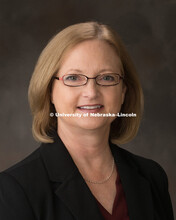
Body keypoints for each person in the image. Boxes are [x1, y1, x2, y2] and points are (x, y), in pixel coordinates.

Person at [0, 21, 174, 220]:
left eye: (107, 78)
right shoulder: (15, 189)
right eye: (73, 78)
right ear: (49, 91)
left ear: (123, 91)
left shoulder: (152, 177)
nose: (91, 93)